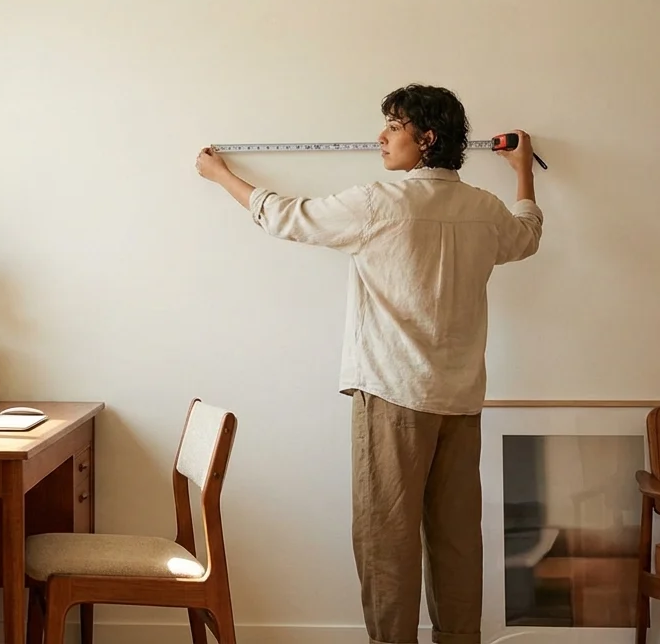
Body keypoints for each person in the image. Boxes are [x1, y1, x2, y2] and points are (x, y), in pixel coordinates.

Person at [195, 83, 543, 644]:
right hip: (460, 400)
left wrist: (221, 177)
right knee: (457, 542)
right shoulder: (484, 208)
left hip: (392, 395)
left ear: (426, 139)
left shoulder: (382, 203)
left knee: (388, 542)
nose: (381, 136)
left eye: (395, 127)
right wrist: (524, 171)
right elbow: (527, 235)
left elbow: (288, 217)